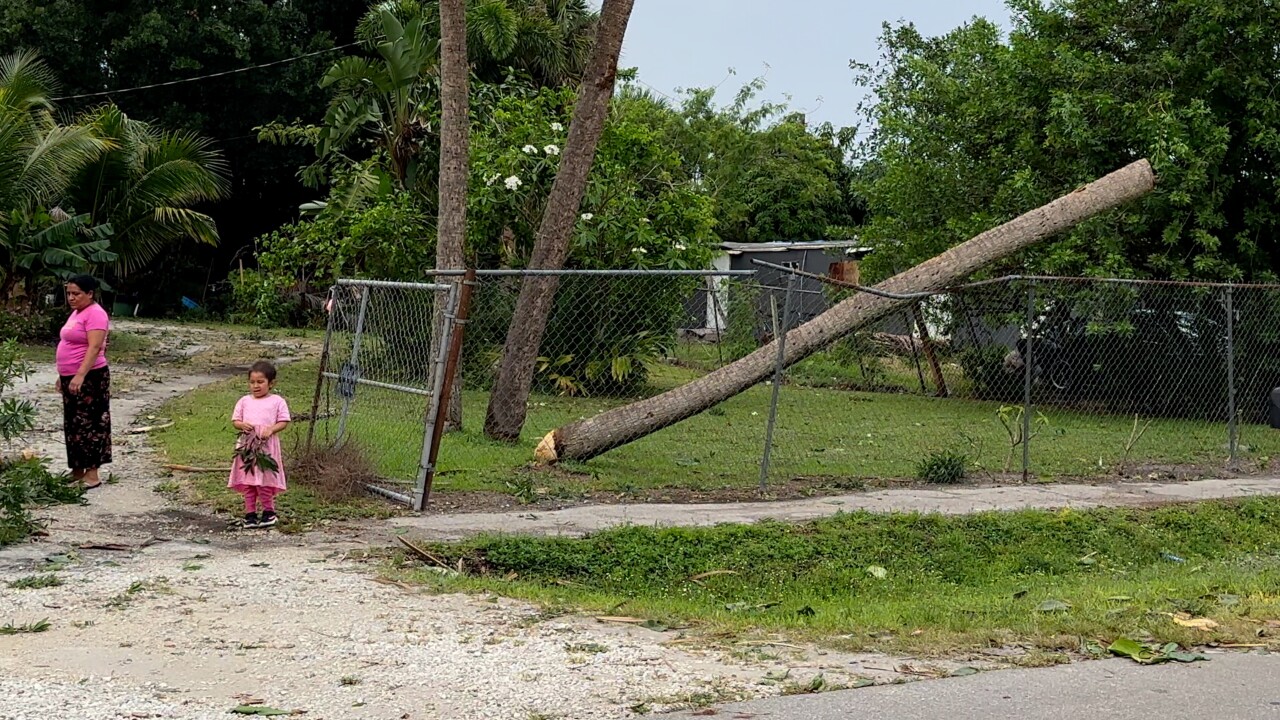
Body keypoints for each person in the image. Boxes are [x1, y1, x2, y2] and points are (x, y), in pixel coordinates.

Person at [56, 275, 112, 489]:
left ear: (90, 293)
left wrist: (80, 374)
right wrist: (63, 374)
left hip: (91, 377)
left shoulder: (96, 313)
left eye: (76, 294)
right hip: (71, 376)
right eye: (69, 293)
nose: (71, 298)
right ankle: (77, 470)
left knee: (91, 422)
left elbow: (94, 347)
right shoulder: (77, 313)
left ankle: (92, 474)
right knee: (73, 424)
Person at [228, 361, 291, 528]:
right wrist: (242, 425)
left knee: (264, 479)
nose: (255, 386)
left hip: (266, 449)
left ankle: (269, 512)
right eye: (252, 382)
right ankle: (250, 513)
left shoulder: (277, 401)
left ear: (271, 383)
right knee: (248, 479)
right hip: (247, 448)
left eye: (260, 382)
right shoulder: (244, 401)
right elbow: (236, 421)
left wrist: (271, 429)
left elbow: (284, 421)